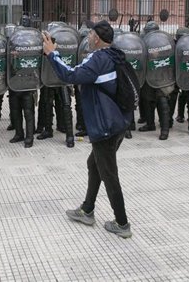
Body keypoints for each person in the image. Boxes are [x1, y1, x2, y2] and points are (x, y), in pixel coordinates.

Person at [42, 20, 133, 238]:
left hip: (105, 127)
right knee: (94, 164)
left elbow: (71, 75)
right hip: (117, 122)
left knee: (109, 174)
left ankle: (122, 224)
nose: (89, 36)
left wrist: (52, 54)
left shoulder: (98, 58)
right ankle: (87, 210)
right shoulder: (115, 55)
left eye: (91, 33)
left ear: (97, 39)